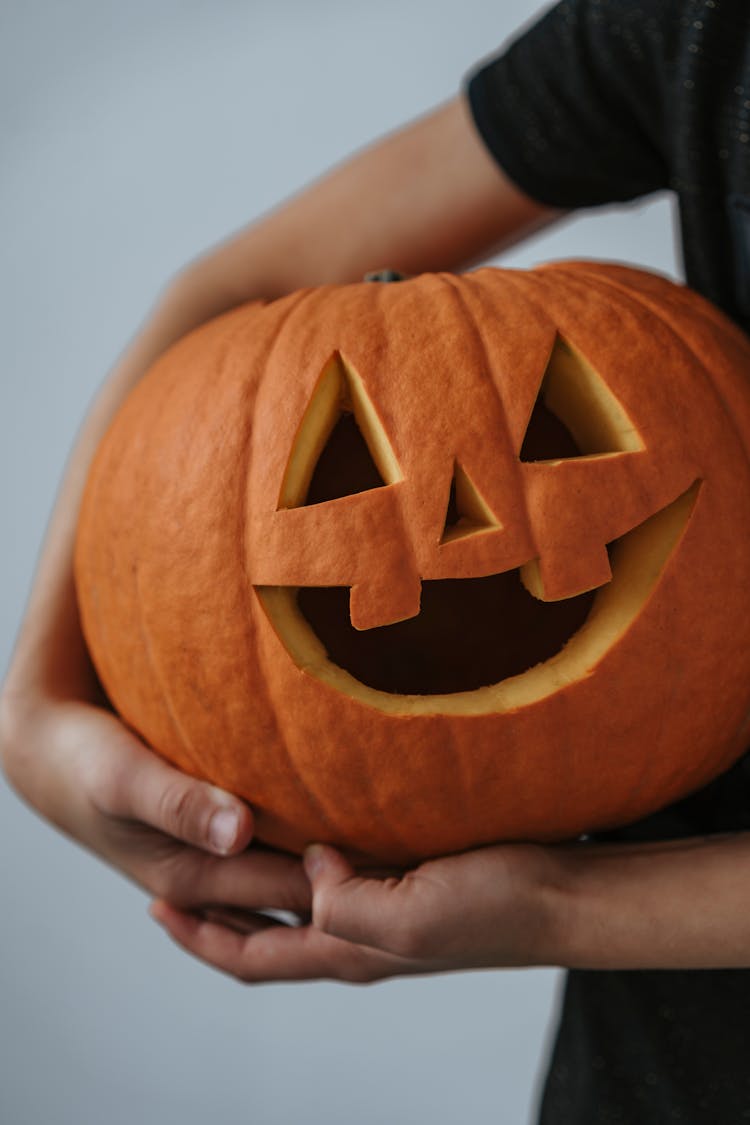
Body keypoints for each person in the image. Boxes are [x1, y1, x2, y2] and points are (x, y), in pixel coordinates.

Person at [2, 1, 750, 1121]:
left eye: (556, 433)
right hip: (665, 1072)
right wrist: (36, 708)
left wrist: (566, 908)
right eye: (348, 471)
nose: (463, 531)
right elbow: (236, 290)